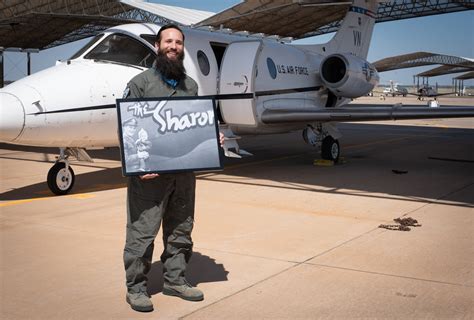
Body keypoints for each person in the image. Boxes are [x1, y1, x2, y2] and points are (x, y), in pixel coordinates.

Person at [122, 24, 224, 313]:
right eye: (168, 41)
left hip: (183, 174)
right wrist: (137, 166)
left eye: (178, 42)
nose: (173, 46)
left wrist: (211, 136)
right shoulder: (140, 84)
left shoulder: (190, 86)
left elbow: (195, 125)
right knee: (142, 233)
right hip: (149, 176)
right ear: (158, 46)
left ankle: (175, 279)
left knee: (181, 229)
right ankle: (136, 287)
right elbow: (128, 130)